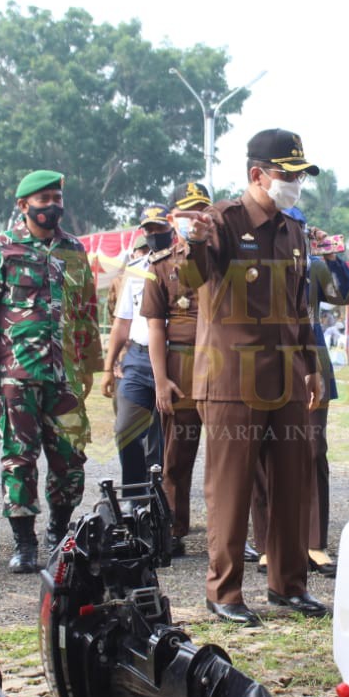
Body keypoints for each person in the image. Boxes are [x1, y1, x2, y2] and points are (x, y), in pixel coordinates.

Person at [183, 128, 327, 626]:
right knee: (231, 489)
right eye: (287, 175)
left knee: (293, 484)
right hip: (230, 381)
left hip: (285, 377)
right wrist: (192, 244)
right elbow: (192, 277)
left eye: (299, 176)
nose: (294, 184)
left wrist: (312, 367)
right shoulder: (222, 221)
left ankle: (288, 586)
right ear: (257, 174)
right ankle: (223, 593)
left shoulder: (292, 231)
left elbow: (298, 307)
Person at [0, 169, 102, 572]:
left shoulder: (74, 249)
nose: (52, 206)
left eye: (56, 198)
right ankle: (25, 543)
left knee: (70, 459)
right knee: (19, 459)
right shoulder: (1, 249)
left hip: (65, 376)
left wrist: (91, 365)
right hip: (17, 375)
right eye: (42, 200)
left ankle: (59, 534)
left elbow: (86, 310)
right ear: (23, 205)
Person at [250, 207, 349, 577]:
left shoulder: (313, 266)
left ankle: (314, 543)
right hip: (261, 361)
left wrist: (331, 255)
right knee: (262, 452)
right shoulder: (251, 257)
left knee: (313, 449)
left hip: (310, 361)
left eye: (297, 227)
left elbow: (345, 296)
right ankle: (267, 545)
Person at [140, 182, 211, 556]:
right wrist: (160, 380)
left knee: (230, 457)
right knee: (176, 457)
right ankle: (172, 529)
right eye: (186, 213)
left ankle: (231, 534)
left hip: (223, 366)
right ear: (174, 219)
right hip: (181, 366)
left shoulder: (226, 258)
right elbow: (155, 326)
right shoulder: (161, 264)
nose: (194, 219)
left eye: (202, 209)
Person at [102, 210, 169, 492]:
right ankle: (133, 496)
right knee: (126, 430)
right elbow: (121, 323)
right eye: (148, 229)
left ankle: (160, 503)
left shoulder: (186, 265)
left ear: (171, 228)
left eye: (159, 228)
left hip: (174, 358)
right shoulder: (136, 269)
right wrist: (108, 368)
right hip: (138, 360)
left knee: (163, 438)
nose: (154, 234)